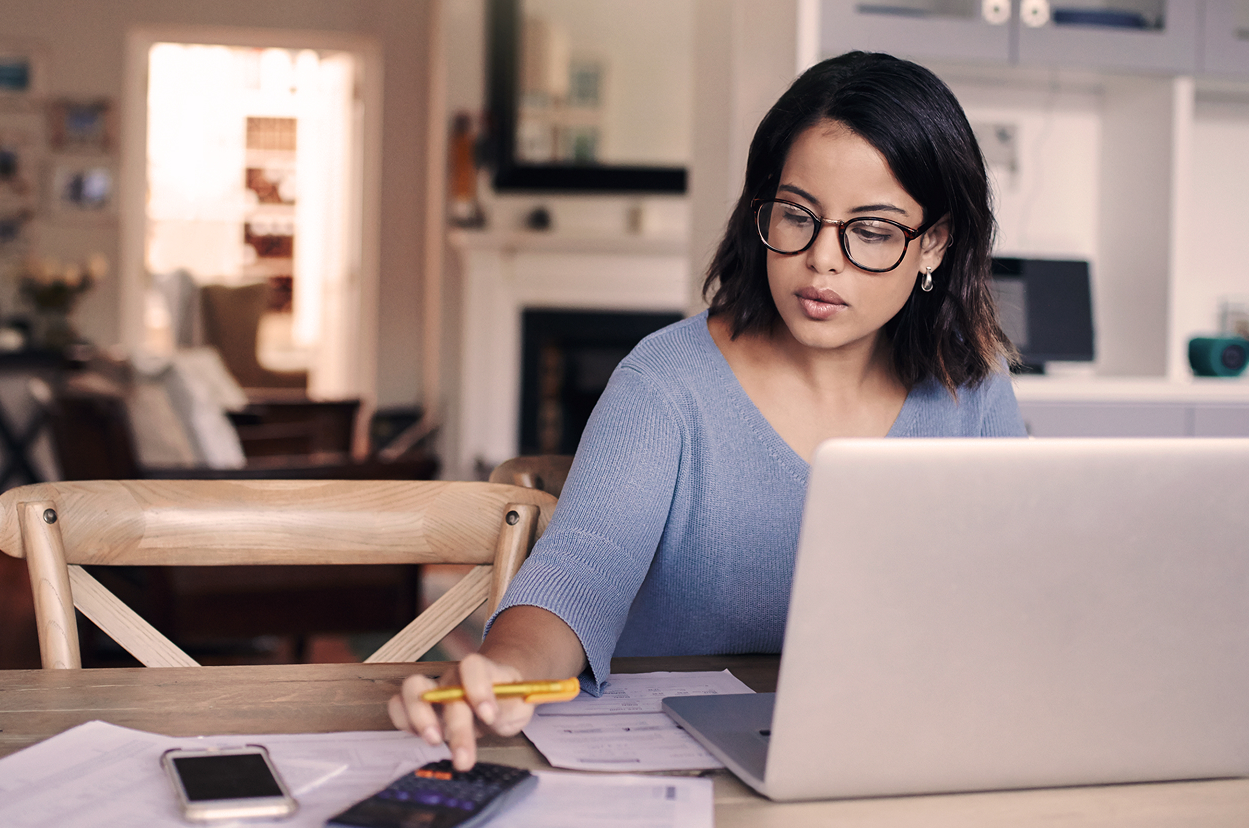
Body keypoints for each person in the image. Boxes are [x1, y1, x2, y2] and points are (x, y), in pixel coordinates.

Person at [390, 50, 1025, 770]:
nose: (823, 259)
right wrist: (504, 669)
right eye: (797, 216)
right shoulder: (664, 384)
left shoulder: (972, 387)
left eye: (872, 231)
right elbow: (579, 573)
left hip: (894, 757)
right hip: (677, 769)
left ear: (934, 243)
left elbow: (1014, 596)